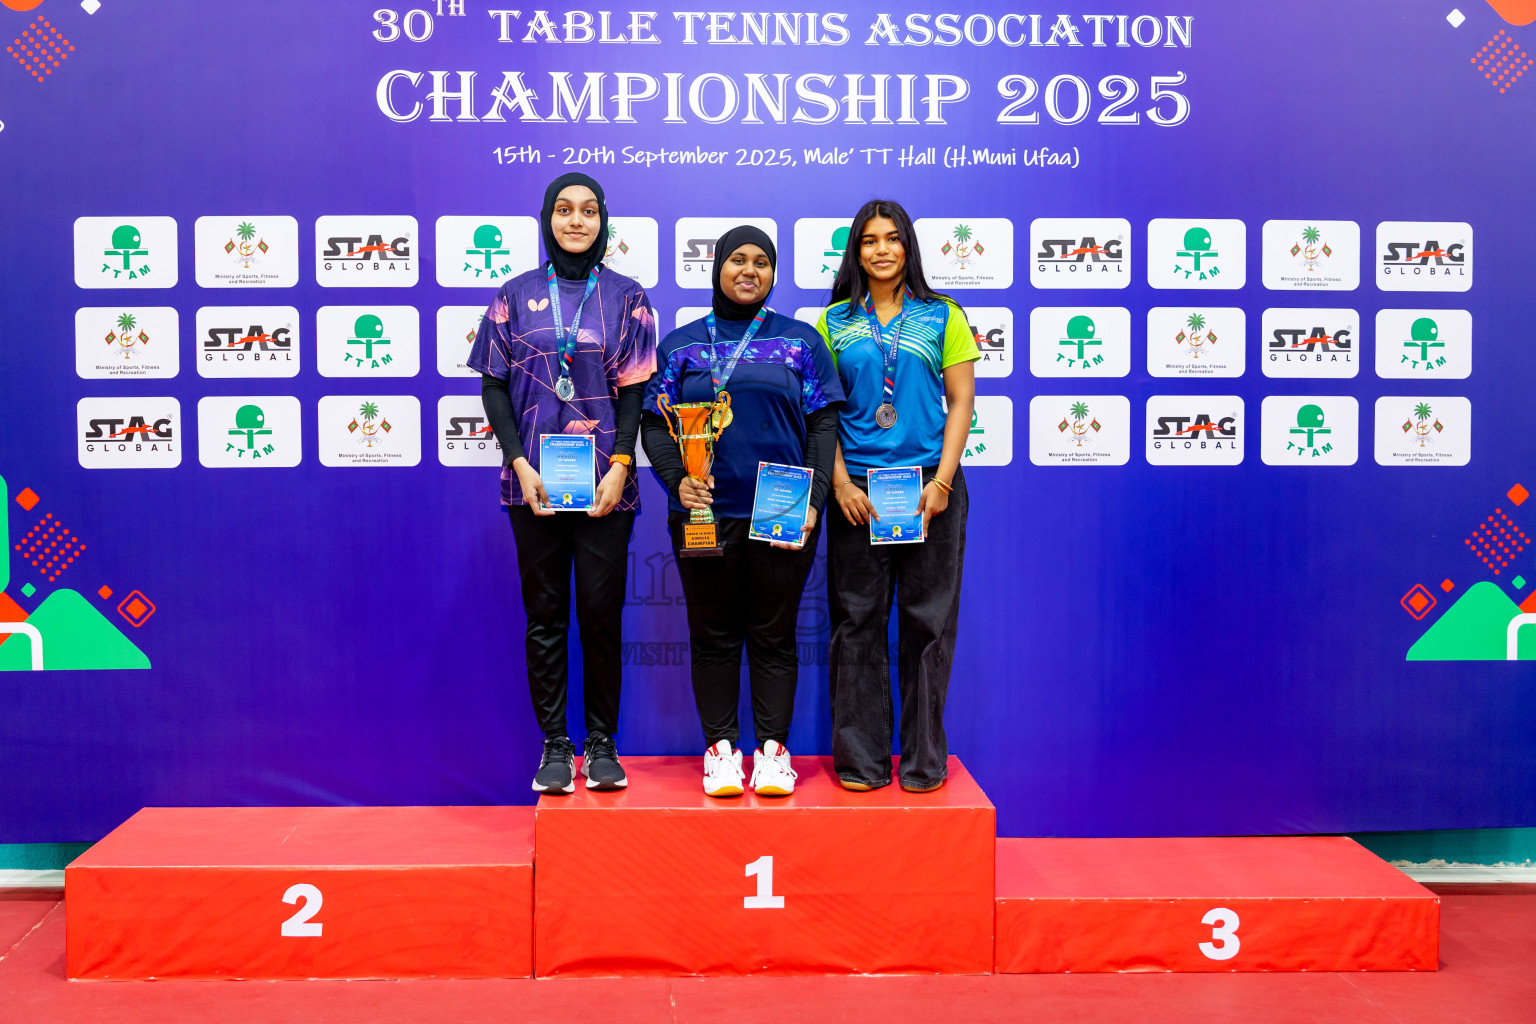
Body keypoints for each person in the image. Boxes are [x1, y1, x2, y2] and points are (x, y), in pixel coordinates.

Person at [469, 172, 657, 794]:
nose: (576, 221)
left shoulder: (629, 297)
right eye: (564, 210)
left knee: (601, 617)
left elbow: (634, 392)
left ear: (604, 221)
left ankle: (602, 743)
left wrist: (623, 464)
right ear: (547, 218)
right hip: (535, 487)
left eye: (589, 211)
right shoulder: (514, 294)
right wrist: (520, 464)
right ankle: (555, 746)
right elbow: (493, 385)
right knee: (546, 617)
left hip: (607, 485)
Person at [641, 227, 844, 797]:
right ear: (718, 267)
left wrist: (815, 495)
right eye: (737, 259)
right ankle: (722, 753)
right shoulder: (681, 346)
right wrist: (677, 481)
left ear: (773, 273)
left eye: (761, 261)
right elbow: (655, 421)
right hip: (704, 513)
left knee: (774, 636)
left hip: (778, 513)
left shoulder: (800, 341)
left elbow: (823, 421)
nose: (749, 270)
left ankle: (774, 753)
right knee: (712, 636)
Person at [815, 199, 978, 793]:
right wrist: (838, 483)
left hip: (929, 493)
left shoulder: (943, 316)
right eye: (869, 241)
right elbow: (822, 411)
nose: (881, 250)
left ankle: (923, 762)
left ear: (908, 247)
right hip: (859, 494)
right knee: (856, 624)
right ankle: (860, 762)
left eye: (892, 239)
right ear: (855, 251)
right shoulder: (832, 322)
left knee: (928, 626)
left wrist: (941, 481)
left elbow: (961, 401)